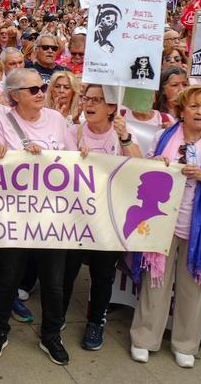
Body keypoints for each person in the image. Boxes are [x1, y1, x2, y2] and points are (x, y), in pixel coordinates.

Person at [131, 86, 201, 368]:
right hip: (162, 220)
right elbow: (143, 173)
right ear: (181, 110)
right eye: (194, 106)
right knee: (156, 281)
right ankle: (144, 339)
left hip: (198, 225)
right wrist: (157, 164)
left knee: (194, 286)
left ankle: (186, 344)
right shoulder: (162, 136)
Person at [0, 68, 68, 364]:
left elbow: (73, 163)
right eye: (33, 90)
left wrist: (82, 152)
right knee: (7, 279)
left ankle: (51, 336)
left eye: (42, 87)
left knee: (53, 282)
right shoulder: (4, 122)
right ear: (15, 96)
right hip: (15, 217)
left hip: (52, 218)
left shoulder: (58, 120)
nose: (41, 93)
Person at [61, 84, 142, 352]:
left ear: (111, 108)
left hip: (108, 218)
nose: (89, 104)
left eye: (98, 100)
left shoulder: (121, 135)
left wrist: (126, 138)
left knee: (102, 274)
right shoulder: (74, 131)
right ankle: (58, 315)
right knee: (67, 270)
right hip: (76, 218)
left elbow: (140, 169)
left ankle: (96, 321)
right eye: (86, 98)